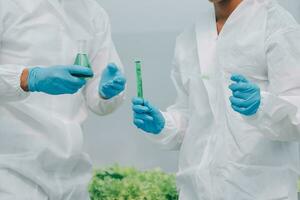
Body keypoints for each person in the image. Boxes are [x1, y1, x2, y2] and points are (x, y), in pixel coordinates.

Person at [132, 0, 300, 199]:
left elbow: (296, 114)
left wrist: (262, 106)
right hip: (196, 190)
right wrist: (164, 125)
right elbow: (190, 117)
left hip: (259, 190)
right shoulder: (190, 37)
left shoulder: (275, 24)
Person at [0, 0, 126, 199]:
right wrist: (28, 78)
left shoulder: (93, 13)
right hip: (10, 170)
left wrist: (106, 93)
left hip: (73, 175)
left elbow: (99, 100)